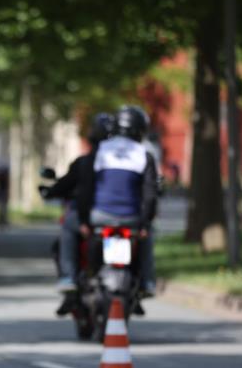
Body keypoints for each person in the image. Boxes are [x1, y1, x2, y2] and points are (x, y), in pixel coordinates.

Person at [76, 105, 159, 302]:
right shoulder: (144, 155)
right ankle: (147, 282)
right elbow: (150, 195)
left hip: (100, 216)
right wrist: (145, 223)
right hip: (131, 219)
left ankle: (88, 275)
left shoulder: (100, 152)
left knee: (86, 244)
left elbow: (86, 189)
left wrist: (83, 220)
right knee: (146, 240)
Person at [42, 112, 114, 316]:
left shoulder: (87, 162)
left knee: (67, 227)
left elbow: (76, 190)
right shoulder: (130, 161)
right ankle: (145, 281)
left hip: (92, 218)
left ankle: (69, 278)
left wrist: (50, 191)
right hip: (127, 220)